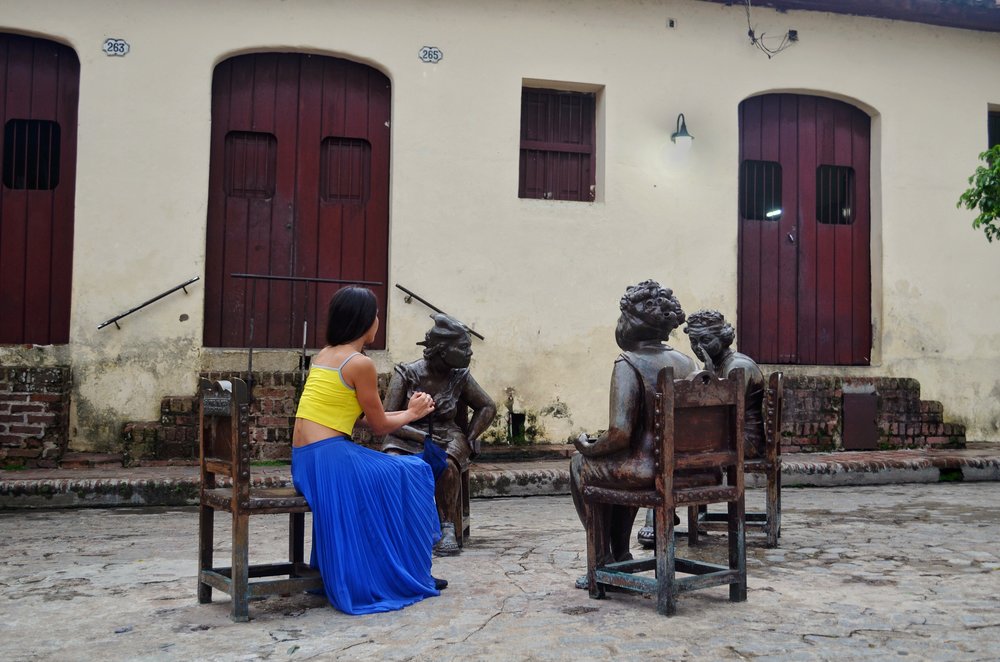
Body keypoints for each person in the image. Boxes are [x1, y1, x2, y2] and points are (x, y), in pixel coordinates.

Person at [292, 286, 446, 615]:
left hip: (307, 459)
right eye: (376, 315)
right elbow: (378, 426)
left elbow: (356, 418)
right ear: (365, 322)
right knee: (415, 471)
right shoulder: (360, 364)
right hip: (330, 458)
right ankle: (407, 570)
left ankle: (401, 565)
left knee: (397, 470)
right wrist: (414, 412)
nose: (378, 320)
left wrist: (406, 413)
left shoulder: (325, 355)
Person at [570, 280, 696, 582]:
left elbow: (619, 434)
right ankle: (621, 554)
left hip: (650, 469)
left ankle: (601, 560)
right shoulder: (686, 363)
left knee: (581, 466)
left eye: (622, 316)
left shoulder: (628, 362)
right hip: (689, 469)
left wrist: (588, 447)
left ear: (633, 323)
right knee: (617, 466)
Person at [382, 314, 497, 555]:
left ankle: (446, 527)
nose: (470, 353)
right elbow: (387, 420)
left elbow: (487, 406)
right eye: (464, 348)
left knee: (446, 464)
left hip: (446, 434)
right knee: (392, 464)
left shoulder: (460, 376)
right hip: (404, 434)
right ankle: (397, 528)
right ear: (443, 350)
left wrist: (471, 436)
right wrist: (419, 437)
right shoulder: (406, 374)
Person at [684, 309, 765, 459]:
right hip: (726, 434)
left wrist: (709, 375)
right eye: (693, 341)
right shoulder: (715, 363)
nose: (698, 348)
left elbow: (725, 412)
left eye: (706, 340)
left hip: (745, 440)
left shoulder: (738, 366)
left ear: (723, 338)